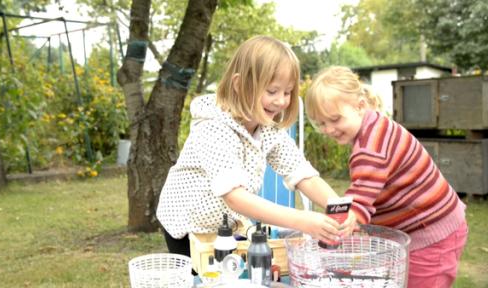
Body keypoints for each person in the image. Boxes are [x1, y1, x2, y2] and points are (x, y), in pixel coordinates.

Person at [156, 36, 355, 258]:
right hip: (187, 227)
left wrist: (339, 209)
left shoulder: (267, 127)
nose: (281, 101)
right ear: (240, 84)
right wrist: (303, 220)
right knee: (203, 279)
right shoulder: (213, 128)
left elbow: (302, 174)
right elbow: (235, 196)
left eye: (287, 92)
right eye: (272, 91)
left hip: (226, 223)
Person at [305, 66, 468, 288]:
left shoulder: (370, 147)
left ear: (360, 106)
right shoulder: (374, 124)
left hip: (431, 234)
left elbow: (361, 197)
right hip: (424, 228)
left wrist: (340, 226)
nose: (329, 129)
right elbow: (370, 185)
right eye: (321, 123)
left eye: (334, 119)